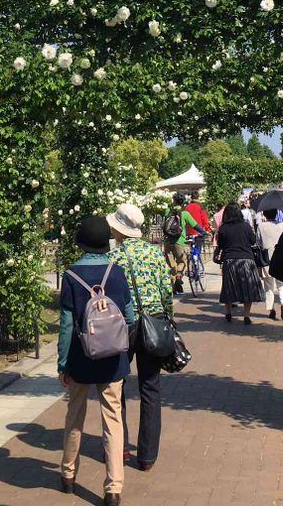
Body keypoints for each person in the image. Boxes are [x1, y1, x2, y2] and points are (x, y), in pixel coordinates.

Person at [58, 215, 135, 505]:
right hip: (112, 357)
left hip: (80, 356)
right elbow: (128, 316)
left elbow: (66, 325)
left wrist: (62, 363)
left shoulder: (71, 275)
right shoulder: (116, 272)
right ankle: (114, 487)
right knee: (112, 419)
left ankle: (67, 473)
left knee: (74, 415)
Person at [108, 202, 173, 473]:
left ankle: (118, 447)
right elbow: (166, 291)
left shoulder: (116, 258)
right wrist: (166, 317)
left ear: (119, 229)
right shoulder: (155, 254)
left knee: (117, 386)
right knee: (150, 388)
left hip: (124, 327)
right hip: (153, 324)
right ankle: (147, 455)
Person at [213, 202, 264, 325]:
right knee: (248, 287)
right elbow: (253, 240)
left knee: (228, 287)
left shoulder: (223, 228)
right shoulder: (245, 226)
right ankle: (246, 315)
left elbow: (221, 245)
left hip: (230, 260)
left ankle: (228, 313)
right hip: (246, 259)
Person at [163, 192, 201, 293]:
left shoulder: (168, 211)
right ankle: (179, 277)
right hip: (180, 241)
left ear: (173, 200)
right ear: (183, 202)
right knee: (182, 261)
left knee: (171, 264)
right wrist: (204, 232)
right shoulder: (185, 214)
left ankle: (173, 285)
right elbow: (195, 225)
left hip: (167, 241)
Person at [256, 207, 283, 321]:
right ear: (276, 214)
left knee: (268, 285)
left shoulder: (260, 226)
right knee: (282, 284)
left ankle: (271, 309)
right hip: (281, 258)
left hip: (266, 259)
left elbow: (258, 243)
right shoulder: (282, 226)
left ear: (264, 214)